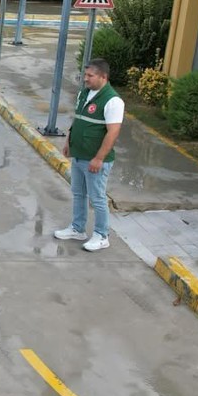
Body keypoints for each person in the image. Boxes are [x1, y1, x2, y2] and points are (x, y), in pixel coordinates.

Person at [54, 58, 124, 252]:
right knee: (78, 193)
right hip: (78, 155)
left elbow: (113, 132)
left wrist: (99, 158)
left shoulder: (113, 101)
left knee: (98, 198)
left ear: (103, 76)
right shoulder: (84, 94)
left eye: (90, 76)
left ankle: (102, 235)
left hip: (95, 160)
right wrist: (68, 142)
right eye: (85, 75)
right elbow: (77, 119)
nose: (85, 79)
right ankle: (78, 228)